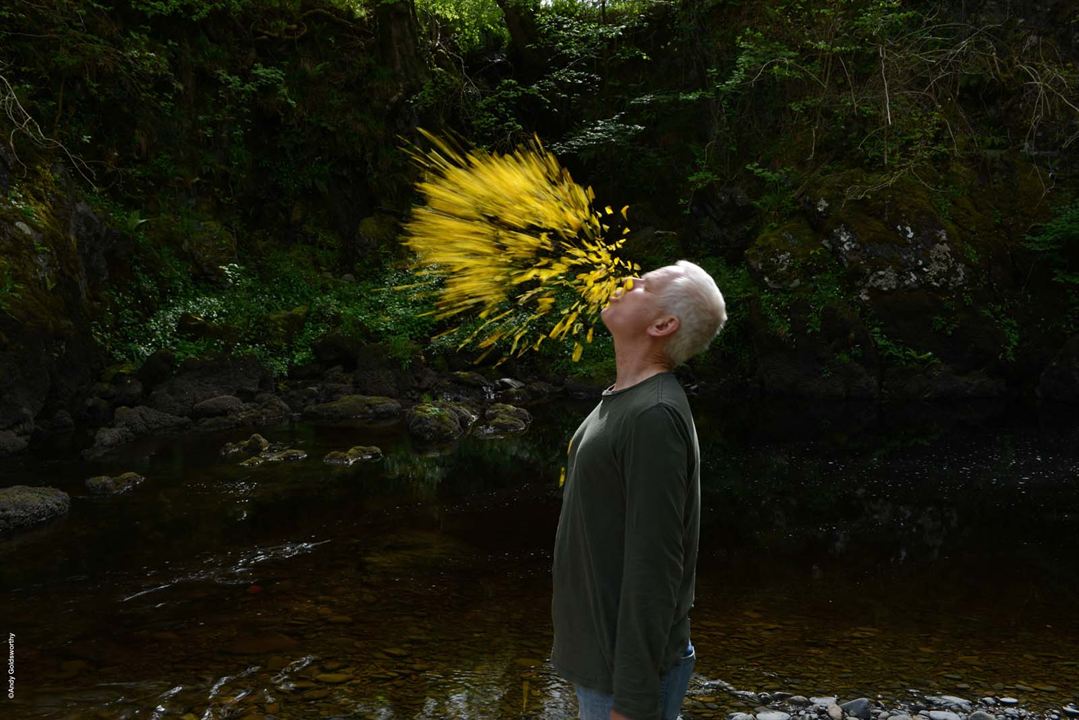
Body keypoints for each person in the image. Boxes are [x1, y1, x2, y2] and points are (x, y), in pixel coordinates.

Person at [550, 260, 727, 720]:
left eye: (644, 285)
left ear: (662, 324)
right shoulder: (625, 398)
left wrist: (632, 701)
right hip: (603, 661)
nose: (627, 282)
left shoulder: (654, 416)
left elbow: (655, 569)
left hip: (623, 675)